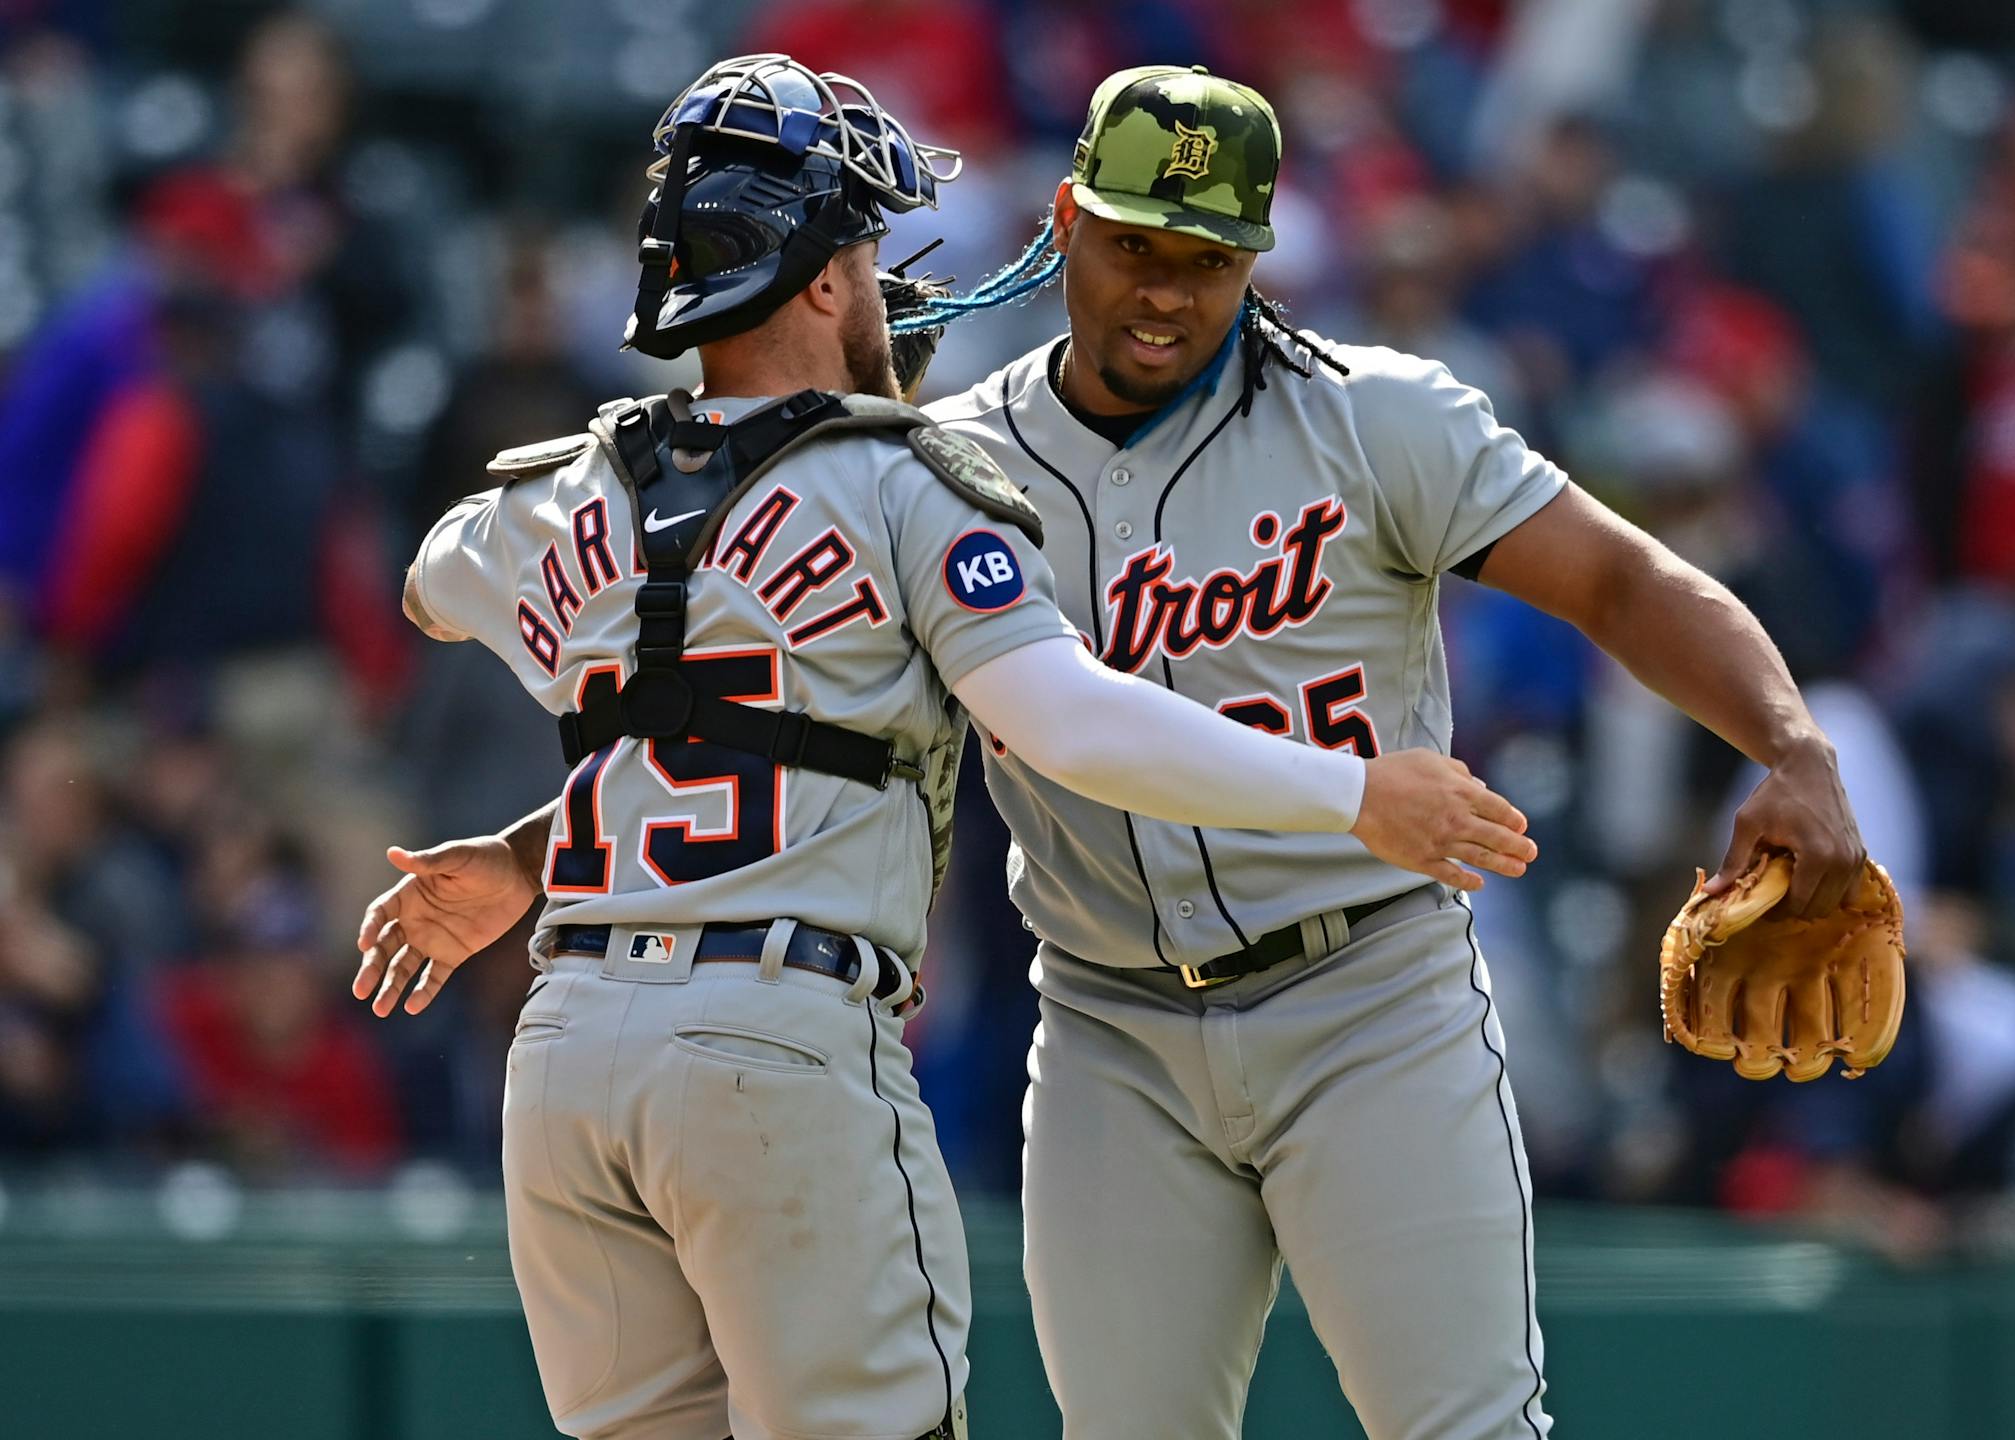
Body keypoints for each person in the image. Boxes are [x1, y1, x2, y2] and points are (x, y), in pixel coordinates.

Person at [366, 65, 1864, 1440]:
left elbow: (1619, 577)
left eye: (1209, 258)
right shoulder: (938, 461)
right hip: (1110, 1027)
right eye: (1138, 243)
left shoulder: (1379, 421)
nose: (1168, 291)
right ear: (1066, 218)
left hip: (1370, 995)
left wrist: (1788, 743)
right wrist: (524, 851)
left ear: (1262, 255)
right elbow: (765, 732)